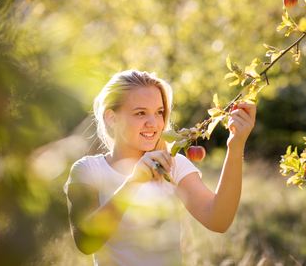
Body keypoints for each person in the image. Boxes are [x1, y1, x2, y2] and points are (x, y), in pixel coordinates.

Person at [63, 70, 256, 266]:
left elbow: (218, 221)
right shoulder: (88, 170)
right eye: (140, 113)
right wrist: (134, 181)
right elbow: (85, 243)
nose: (154, 123)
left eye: (159, 112)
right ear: (112, 118)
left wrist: (235, 145)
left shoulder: (172, 165)